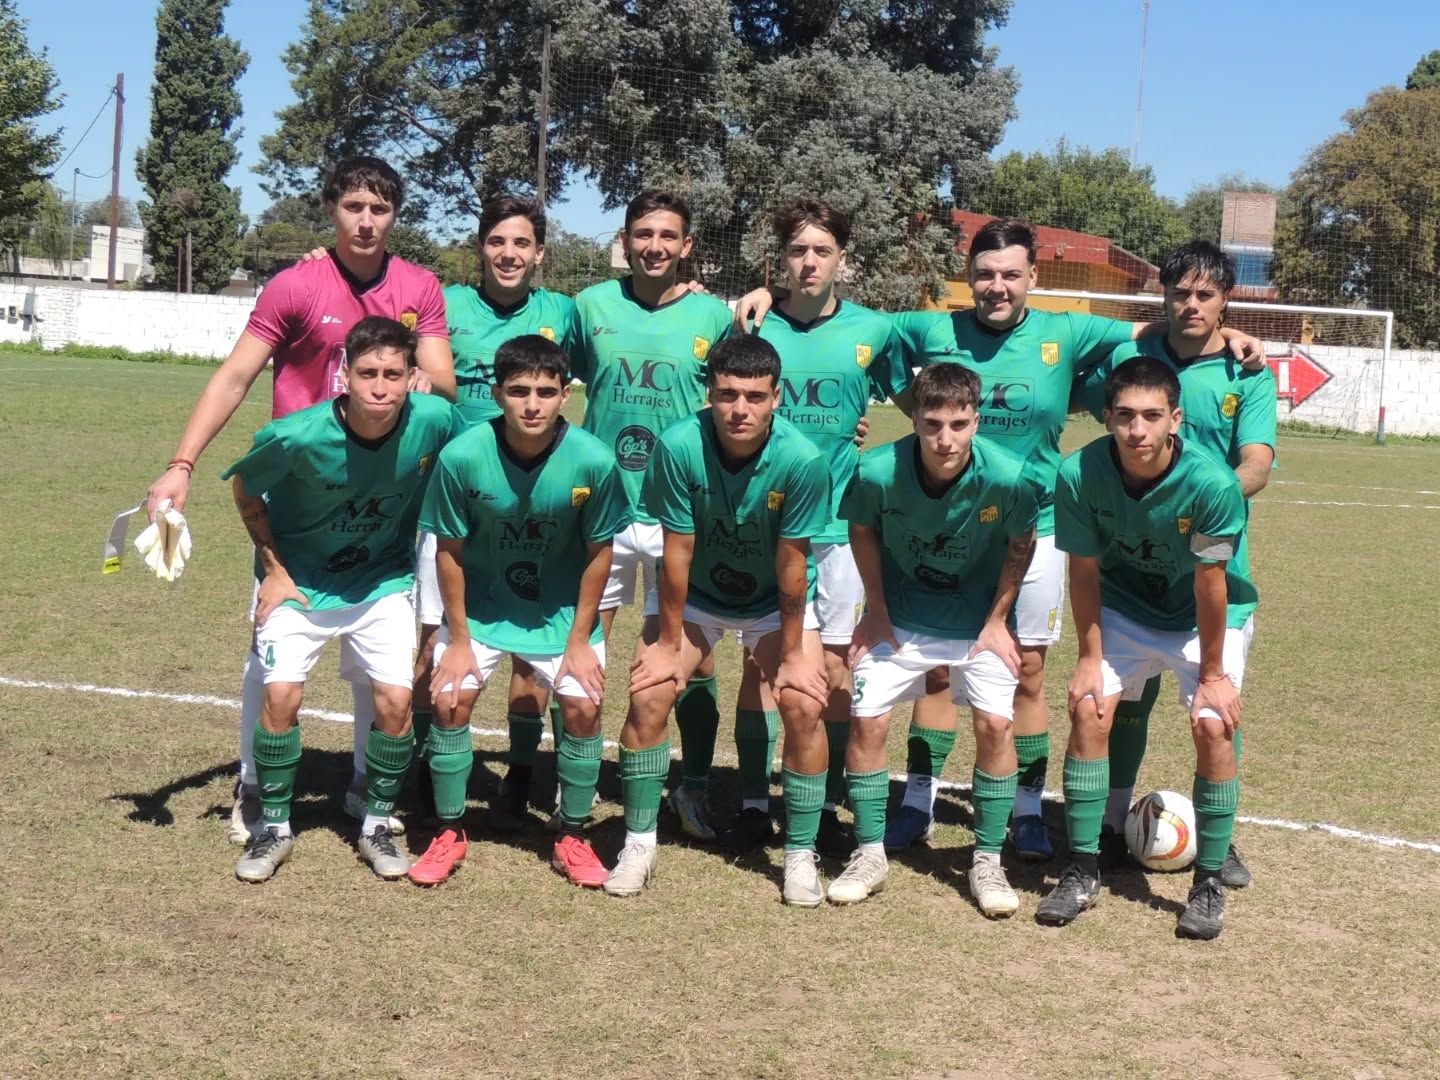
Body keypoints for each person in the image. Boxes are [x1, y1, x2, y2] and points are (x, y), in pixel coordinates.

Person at [735, 217, 1263, 860]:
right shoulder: (930, 329)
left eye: (1011, 274)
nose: (997, 286)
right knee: (934, 667)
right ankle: (918, 801)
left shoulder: (1065, 332)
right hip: (942, 525)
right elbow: (847, 324)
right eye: (984, 274)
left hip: (1036, 528)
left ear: (1032, 276)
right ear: (969, 278)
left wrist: (1229, 331)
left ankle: (1027, 812)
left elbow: (1155, 330)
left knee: (1028, 670)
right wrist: (767, 295)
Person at [144, 156, 455, 846]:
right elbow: (235, 376)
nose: (366, 221)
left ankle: (366, 789)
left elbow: (443, 379)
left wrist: (421, 384)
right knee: (271, 650)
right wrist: (182, 463)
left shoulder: (419, 286)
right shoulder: (296, 284)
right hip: (298, 501)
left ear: (395, 215)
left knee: (379, 661)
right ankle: (255, 784)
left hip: (382, 501)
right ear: (331, 209)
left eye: (379, 209)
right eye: (353, 207)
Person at [221, 317, 461, 883]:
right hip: (300, 583)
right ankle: (273, 828)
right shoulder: (295, 436)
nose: (380, 386)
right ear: (344, 375)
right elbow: (245, 488)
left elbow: (471, 460)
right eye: (368, 373)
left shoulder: (434, 419)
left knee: (396, 700)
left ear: (411, 378)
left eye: (393, 375)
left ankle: (376, 822)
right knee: (280, 694)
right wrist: (274, 570)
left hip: (381, 582)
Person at [1074, 241, 1276, 887]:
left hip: (1207, 561)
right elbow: (1066, 383)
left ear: (1226, 300)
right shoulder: (1130, 360)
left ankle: (1220, 838)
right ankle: (1109, 824)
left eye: (1205, 295)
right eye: (1179, 293)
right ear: (1162, 296)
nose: (1191, 305)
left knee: (1216, 712)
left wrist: (1196, 507)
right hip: (1129, 567)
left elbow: (1256, 463)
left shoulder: (1248, 372)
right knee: (1122, 706)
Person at [606, 334, 833, 905]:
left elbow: (793, 565)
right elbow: (676, 552)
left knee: (804, 704)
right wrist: (669, 643)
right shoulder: (679, 444)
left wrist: (793, 655)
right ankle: (638, 844)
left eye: (754, 397)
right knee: (649, 695)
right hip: (698, 594)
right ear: (709, 392)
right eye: (727, 394)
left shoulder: (803, 460)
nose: (739, 409)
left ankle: (800, 855)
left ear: (776, 397)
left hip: (770, 601)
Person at [1044, 356, 1253, 940]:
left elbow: (1211, 585)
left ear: (1175, 419)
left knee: (1213, 723)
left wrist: (1212, 675)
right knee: (1090, 708)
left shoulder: (1213, 484)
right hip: (1124, 609)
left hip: (1199, 618)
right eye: (1126, 415)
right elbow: (1083, 573)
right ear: (1107, 416)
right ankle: (1082, 868)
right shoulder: (1078, 473)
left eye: (1153, 416)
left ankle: (1207, 882)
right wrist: (1089, 659)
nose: (1138, 430)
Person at [727, 197, 911, 858]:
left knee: (834, 665)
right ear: (782, 258)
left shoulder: (874, 331)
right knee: (761, 664)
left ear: (843, 259)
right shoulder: (752, 323)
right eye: (798, 250)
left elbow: (918, 406)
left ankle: (824, 803)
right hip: (763, 524)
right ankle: (753, 802)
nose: (810, 262)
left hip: (838, 527)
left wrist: (872, 447)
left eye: (822, 251)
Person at [413, 334, 631, 887]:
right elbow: (449, 553)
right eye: (518, 391)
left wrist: (580, 641)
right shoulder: (462, 456)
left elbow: (599, 554)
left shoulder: (594, 460)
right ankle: (449, 831)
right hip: (481, 611)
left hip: (559, 615)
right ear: (496, 394)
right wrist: (458, 640)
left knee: (583, 709)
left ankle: (573, 835)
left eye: (545, 392)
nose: (532, 404)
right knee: (448, 699)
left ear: (565, 395)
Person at [835, 362, 1038, 914]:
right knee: (867, 721)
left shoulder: (1009, 477)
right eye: (932, 424)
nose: (945, 439)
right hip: (900, 617)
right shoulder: (877, 471)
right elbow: (860, 529)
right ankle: (869, 853)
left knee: (995, 725)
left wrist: (997, 620)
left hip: (977, 624)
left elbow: (1022, 542)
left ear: (977, 421)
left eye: (958, 424)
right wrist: (876, 612)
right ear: (915, 420)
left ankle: (988, 860)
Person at [570, 190, 736, 840]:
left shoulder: (713, 316)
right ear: (625, 240)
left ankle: (691, 786)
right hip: (603, 509)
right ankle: (574, 787)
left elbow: (744, 391)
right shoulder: (590, 306)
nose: (655, 246)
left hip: (680, 513)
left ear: (686, 246)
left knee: (692, 659)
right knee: (581, 643)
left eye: (668, 236)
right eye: (643, 233)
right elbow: (555, 373)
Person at [419, 195, 584, 831]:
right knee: (435, 640)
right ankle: (428, 771)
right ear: (480, 246)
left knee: (530, 652)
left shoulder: (564, 313)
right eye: (497, 241)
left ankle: (519, 775)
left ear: (539, 253)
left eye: (521, 243)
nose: (508, 254)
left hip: (538, 500)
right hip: (457, 496)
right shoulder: (446, 305)